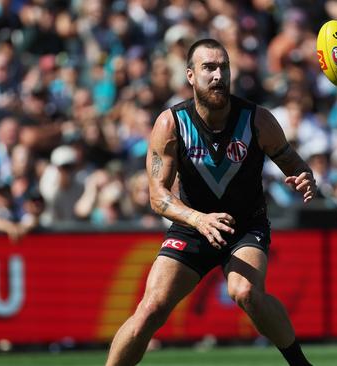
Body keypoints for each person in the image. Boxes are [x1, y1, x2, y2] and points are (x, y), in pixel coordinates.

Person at [106, 39, 316, 366]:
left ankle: (301, 365)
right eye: (209, 68)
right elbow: (158, 198)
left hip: (245, 226)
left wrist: (305, 177)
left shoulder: (257, 119)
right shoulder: (171, 124)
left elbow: (294, 163)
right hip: (193, 227)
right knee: (149, 309)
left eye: (223, 67)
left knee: (245, 293)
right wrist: (199, 220)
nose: (218, 75)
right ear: (190, 75)